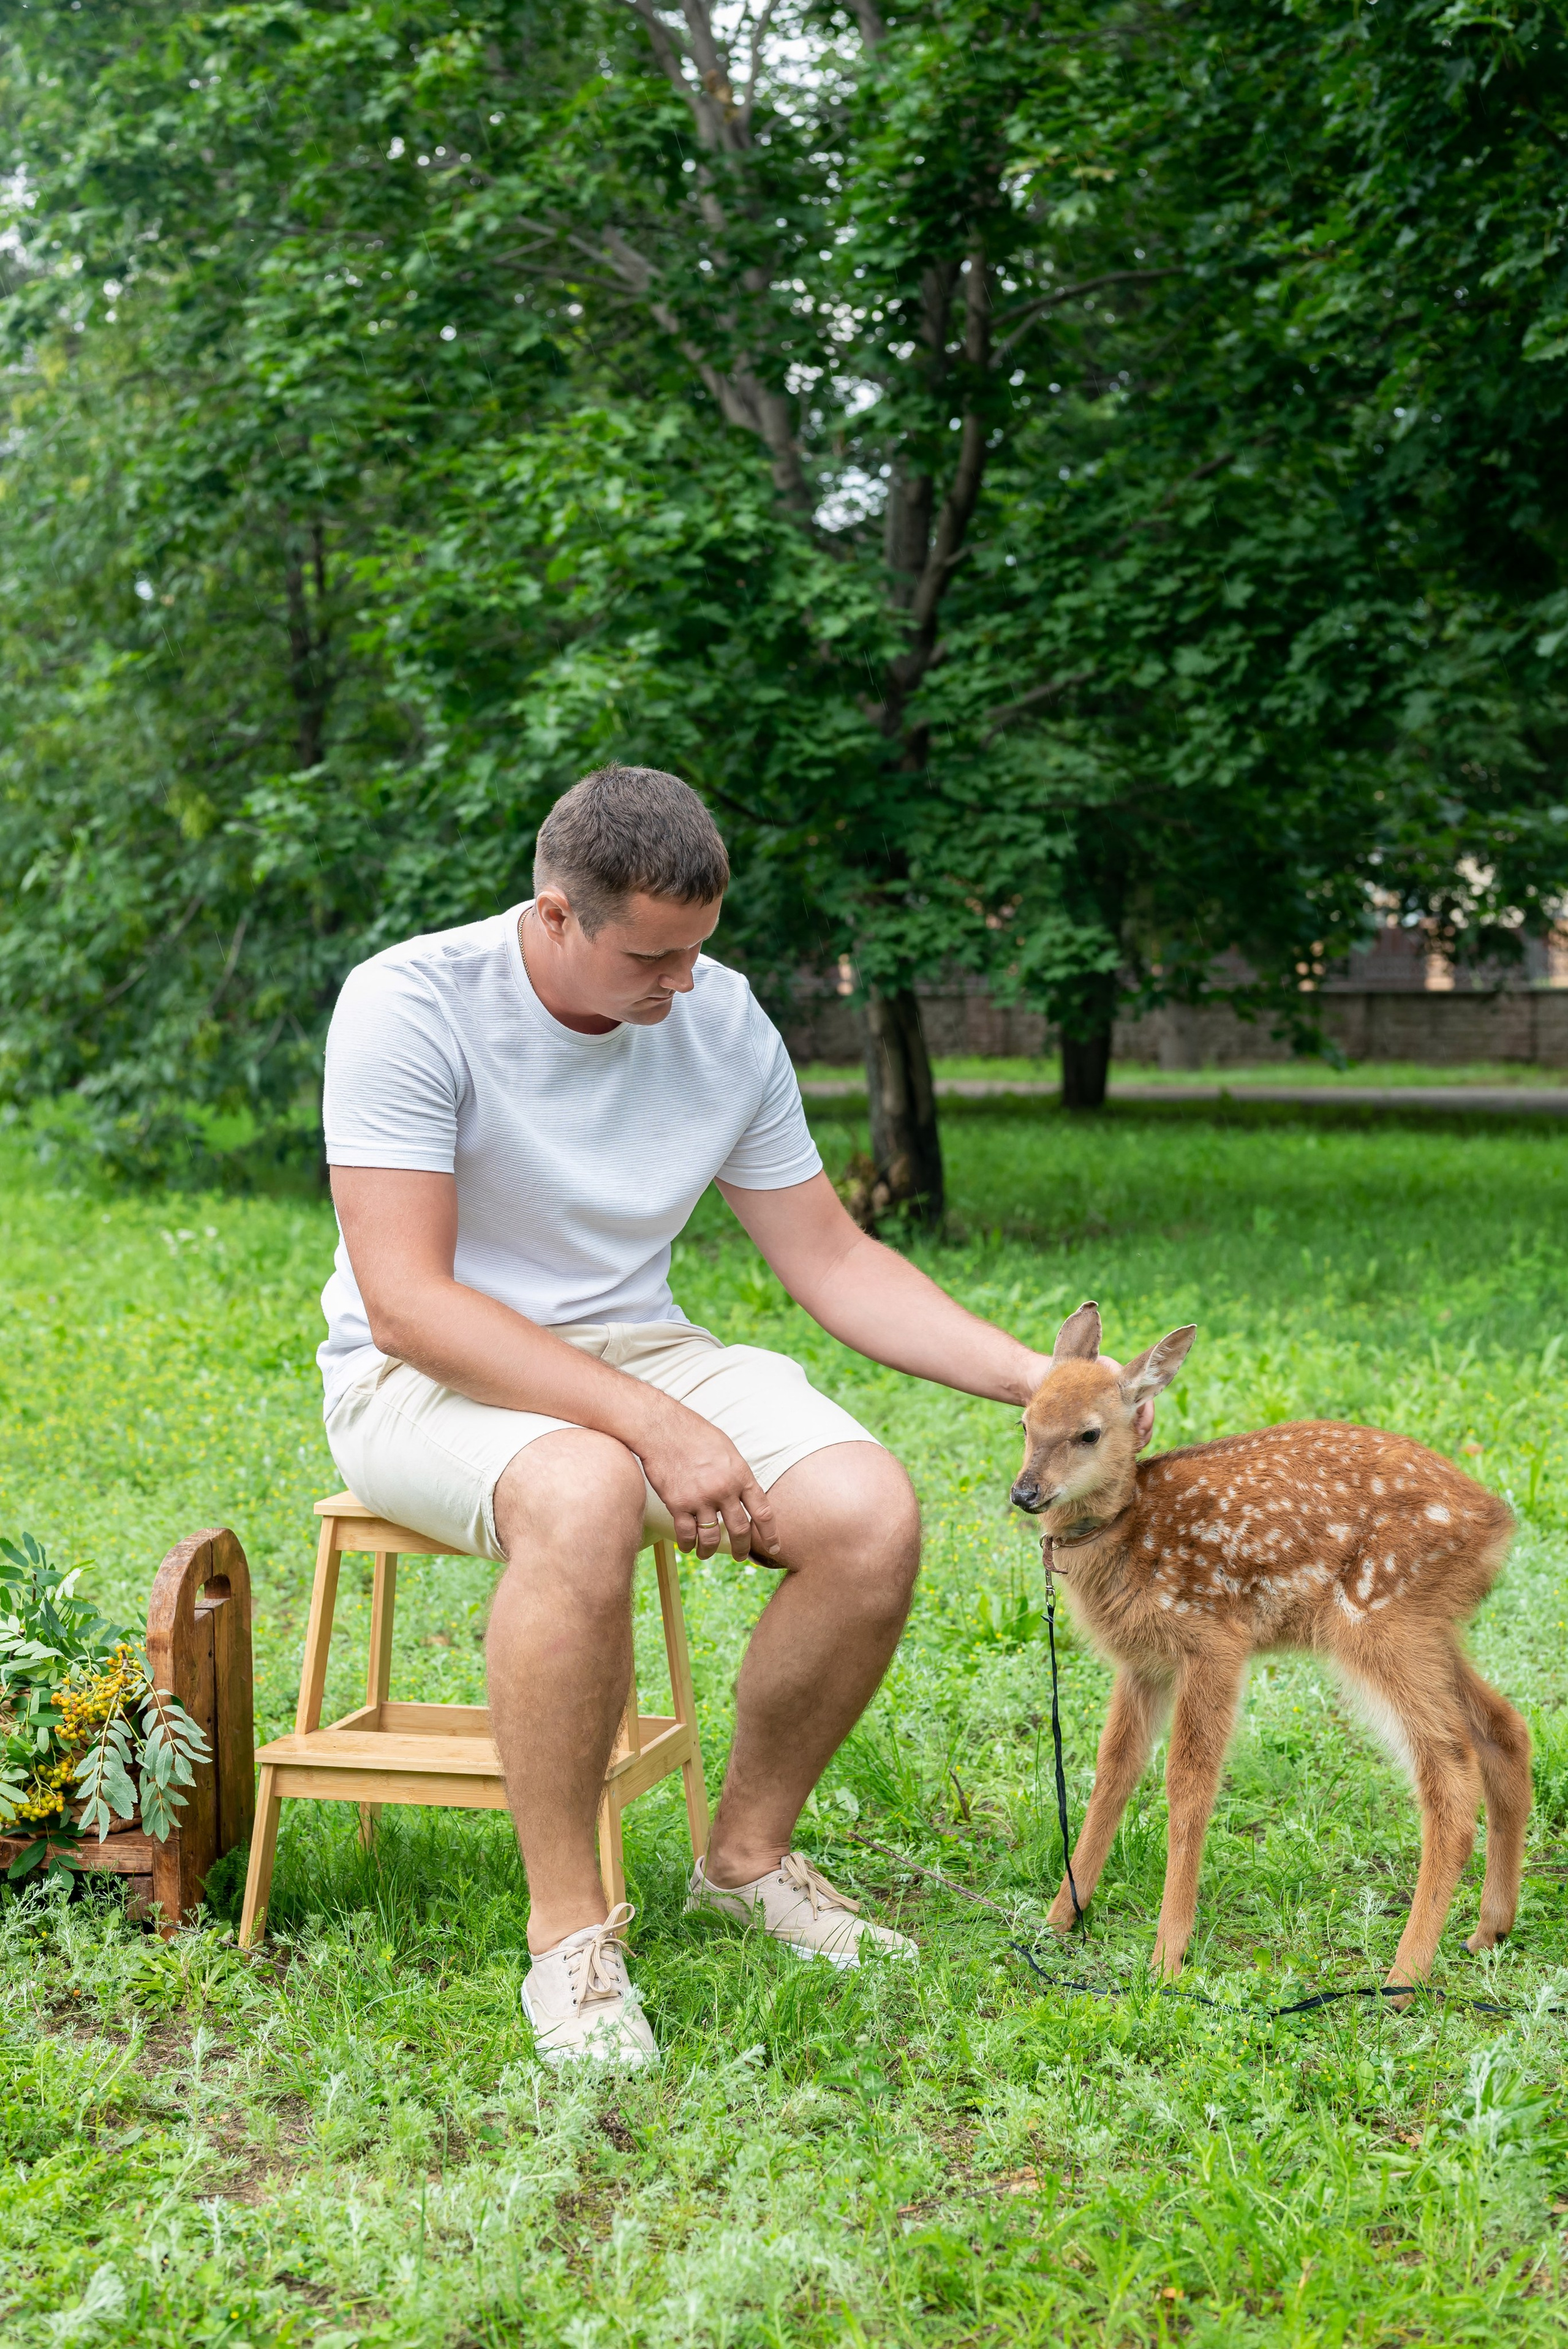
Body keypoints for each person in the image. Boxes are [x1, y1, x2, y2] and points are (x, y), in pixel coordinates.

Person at [319, 766, 1087, 2067]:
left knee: (866, 1512)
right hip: (425, 1374)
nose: (682, 987)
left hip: (636, 1344)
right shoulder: (411, 1001)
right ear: (556, 915)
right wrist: (647, 1430)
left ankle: (743, 1859)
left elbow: (831, 1260)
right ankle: (569, 1935)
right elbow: (408, 1303)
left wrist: (1028, 1377)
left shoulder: (719, 1021)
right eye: (652, 957)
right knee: (584, 1487)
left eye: (699, 951)